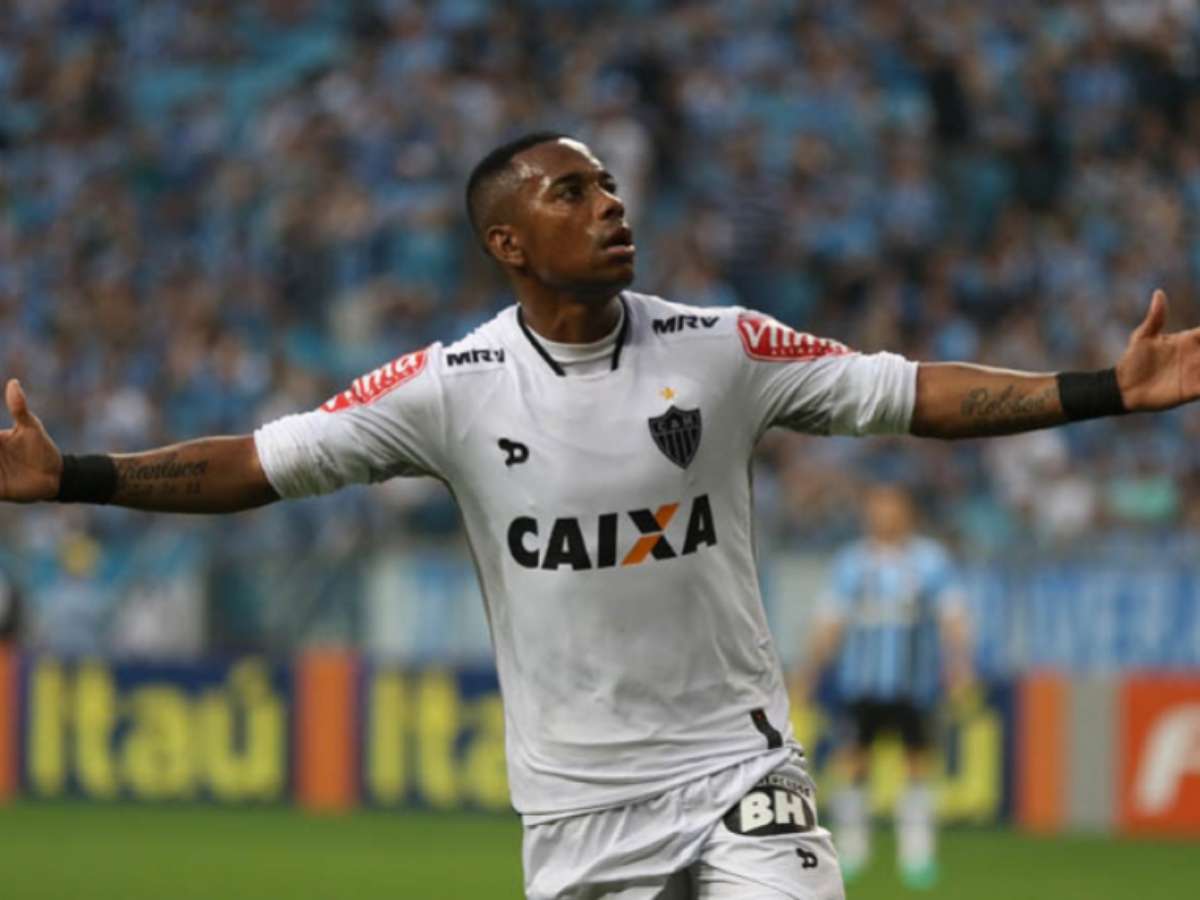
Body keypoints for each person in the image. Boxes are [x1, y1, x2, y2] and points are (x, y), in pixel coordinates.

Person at [1, 131, 1198, 899]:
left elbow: (912, 396)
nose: (612, 204)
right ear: (510, 243)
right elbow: (255, 465)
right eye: (573, 193)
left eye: (611, 185)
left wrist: (1105, 390)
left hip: (741, 772)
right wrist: (75, 476)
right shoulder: (450, 389)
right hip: (576, 813)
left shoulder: (723, 347)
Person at [795, 483, 972, 889]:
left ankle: (917, 854)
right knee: (852, 761)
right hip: (861, 683)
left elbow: (953, 614)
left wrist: (960, 663)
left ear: (907, 512)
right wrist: (810, 669)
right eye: (877, 508)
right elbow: (830, 620)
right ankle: (852, 848)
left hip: (915, 685)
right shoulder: (851, 563)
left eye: (891, 507)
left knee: (918, 762)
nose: (883, 515)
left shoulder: (931, 560)